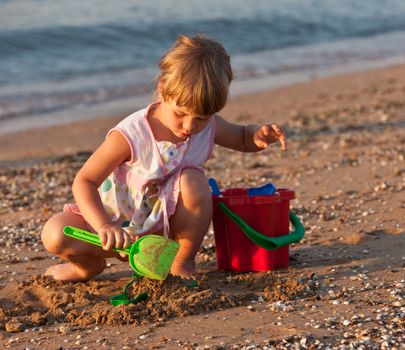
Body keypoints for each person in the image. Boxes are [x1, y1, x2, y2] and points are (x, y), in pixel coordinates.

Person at [41, 34, 287, 282]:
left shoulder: (209, 126)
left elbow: (241, 137)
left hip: (164, 231)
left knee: (193, 181)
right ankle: (85, 267)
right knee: (55, 233)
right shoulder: (131, 134)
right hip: (110, 228)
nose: (190, 126)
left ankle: (181, 262)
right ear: (162, 91)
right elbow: (85, 181)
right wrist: (104, 226)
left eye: (201, 117)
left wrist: (257, 135)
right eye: (181, 113)